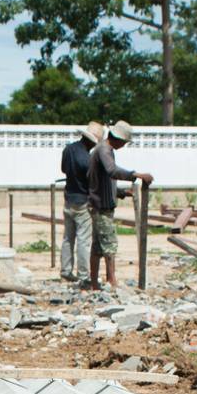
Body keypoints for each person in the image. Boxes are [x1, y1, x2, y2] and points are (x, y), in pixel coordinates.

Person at [86, 120, 154, 290]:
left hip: (100, 204)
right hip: (100, 206)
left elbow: (106, 181)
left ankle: (95, 283)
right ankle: (111, 280)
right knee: (109, 244)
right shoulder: (104, 150)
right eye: (124, 142)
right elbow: (112, 171)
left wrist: (122, 192)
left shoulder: (104, 150)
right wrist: (136, 174)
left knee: (98, 247)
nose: (123, 145)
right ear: (117, 138)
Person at [58, 121, 101, 281]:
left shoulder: (68, 149)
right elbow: (93, 183)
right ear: (91, 141)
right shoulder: (88, 159)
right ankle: (84, 275)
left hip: (68, 198)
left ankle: (65, 271)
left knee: (68, 238)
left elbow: (63, 169)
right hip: (83, 201)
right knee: (83, 240)